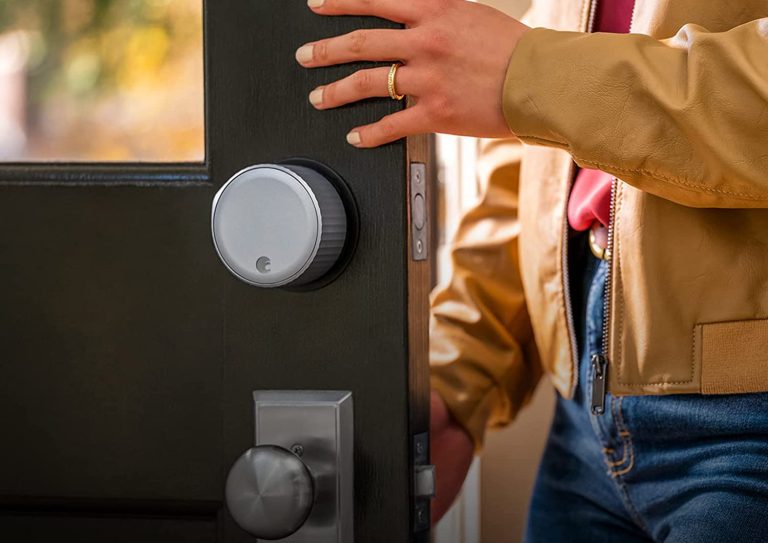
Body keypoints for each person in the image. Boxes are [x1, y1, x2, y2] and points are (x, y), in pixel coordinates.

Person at [296, 0, 768, 540]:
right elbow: (529, 172)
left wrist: (530, 73)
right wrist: (458, 383)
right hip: (581, 435)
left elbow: (532, 82)